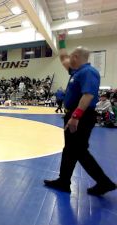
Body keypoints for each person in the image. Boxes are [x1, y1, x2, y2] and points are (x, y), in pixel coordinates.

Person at [44, 34, 116, 196]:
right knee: (71, 150)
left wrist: (75, 116)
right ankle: (64, 181)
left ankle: (104, 183)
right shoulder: (76, 71)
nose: (68, 59)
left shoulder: (88, 72)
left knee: (79, 151)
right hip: (75, 116)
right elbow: (62, 58)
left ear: (75, 57)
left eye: (71, 57)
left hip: (81, 117)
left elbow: (88, 95)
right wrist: (61, 41)